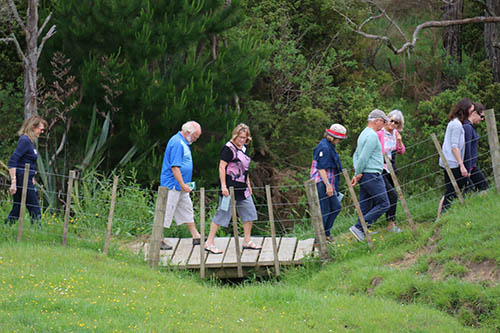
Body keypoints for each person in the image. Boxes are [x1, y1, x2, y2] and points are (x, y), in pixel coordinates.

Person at [204, 123, 260, 254]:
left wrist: (249, 184)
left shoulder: (245, 149)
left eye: (244, 138)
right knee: (222, 213)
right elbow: (222, 166)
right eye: (240, 137)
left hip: (243, 188)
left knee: (249, 213)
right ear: (235, 136)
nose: (242, 140)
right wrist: (223, 186)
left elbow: (245, 169)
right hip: (229, 188)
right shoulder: (228, 148)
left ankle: (247, 240)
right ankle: (209, 242)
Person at [349, 109, 390, 242]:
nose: (383, 126)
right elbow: (363, 158)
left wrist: (358, 172)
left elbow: (356, 155)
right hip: (372, 174)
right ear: (377, 120)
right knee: (384, 203)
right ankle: (359, 227)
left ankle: (362, 232)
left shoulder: (363, 134)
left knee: (365, 205)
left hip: (365, 174)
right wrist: (357, 173)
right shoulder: (372, 136)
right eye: (383, 122)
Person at [160, 121, 202, 250]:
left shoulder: (183, 142)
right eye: (195, 137)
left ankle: (196, 236)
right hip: (173, 185)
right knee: (166, 211)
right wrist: (182, 183)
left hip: (181, 186)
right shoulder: (177, 143)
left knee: (187, 209)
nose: (195, 140)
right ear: (188, 132)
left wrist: (183, 185)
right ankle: (158, 239)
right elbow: (175, 167)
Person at [6, 116, 47, 225]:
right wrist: (14, 182)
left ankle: (6, 227)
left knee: (17, 209)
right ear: (32, 127)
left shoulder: (30, 142)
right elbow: (13, 161)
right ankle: (38, 233)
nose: (42, 132)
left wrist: (32, 177)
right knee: (35, 209)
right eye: (41, 129)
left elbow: (26, 161)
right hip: (21, 178)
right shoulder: (24, 140)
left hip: (26, 177)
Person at [309, 123, 347, 242]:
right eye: (339, 139)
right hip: (322, 183)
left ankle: (326, 233)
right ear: (333, 137)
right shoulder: (324, 147)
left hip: (329, 182)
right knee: (325, 211)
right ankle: (319, 240)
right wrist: (328, 185)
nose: (340, 141)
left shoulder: (329, 146)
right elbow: (321, 168)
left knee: (336, 207)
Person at [436, 98, 473, 217]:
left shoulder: (454, 122)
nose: (471, 113)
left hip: (449, 161)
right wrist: (462, 165)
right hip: (452, 163)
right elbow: (454, 146)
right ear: (465, 110)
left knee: (452, 190)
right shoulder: (456, 125)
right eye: (471, 111)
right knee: (466, 188)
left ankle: (445, 215)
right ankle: (444, 216)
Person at [377, 110, 406, 233]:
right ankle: (390, 224)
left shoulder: (396, 134)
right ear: (387, 119)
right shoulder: (379, 133)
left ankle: (389, 223)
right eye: (391, 120)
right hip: (380, 167)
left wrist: (399, 140)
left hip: (391, 169)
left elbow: (402, 151)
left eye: (396, 122)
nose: (393, 124)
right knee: (392, 195)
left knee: (389, 196)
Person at [464, 102, 489, 193]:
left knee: (483, 187)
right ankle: (443, 207)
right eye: (481, 116)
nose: (482, 119)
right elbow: (467, 148)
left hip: (472, 166)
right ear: (474, 113)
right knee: (453, 192)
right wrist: (467, 168)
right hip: (469, 166)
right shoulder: (467, 127)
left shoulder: (470, 127)